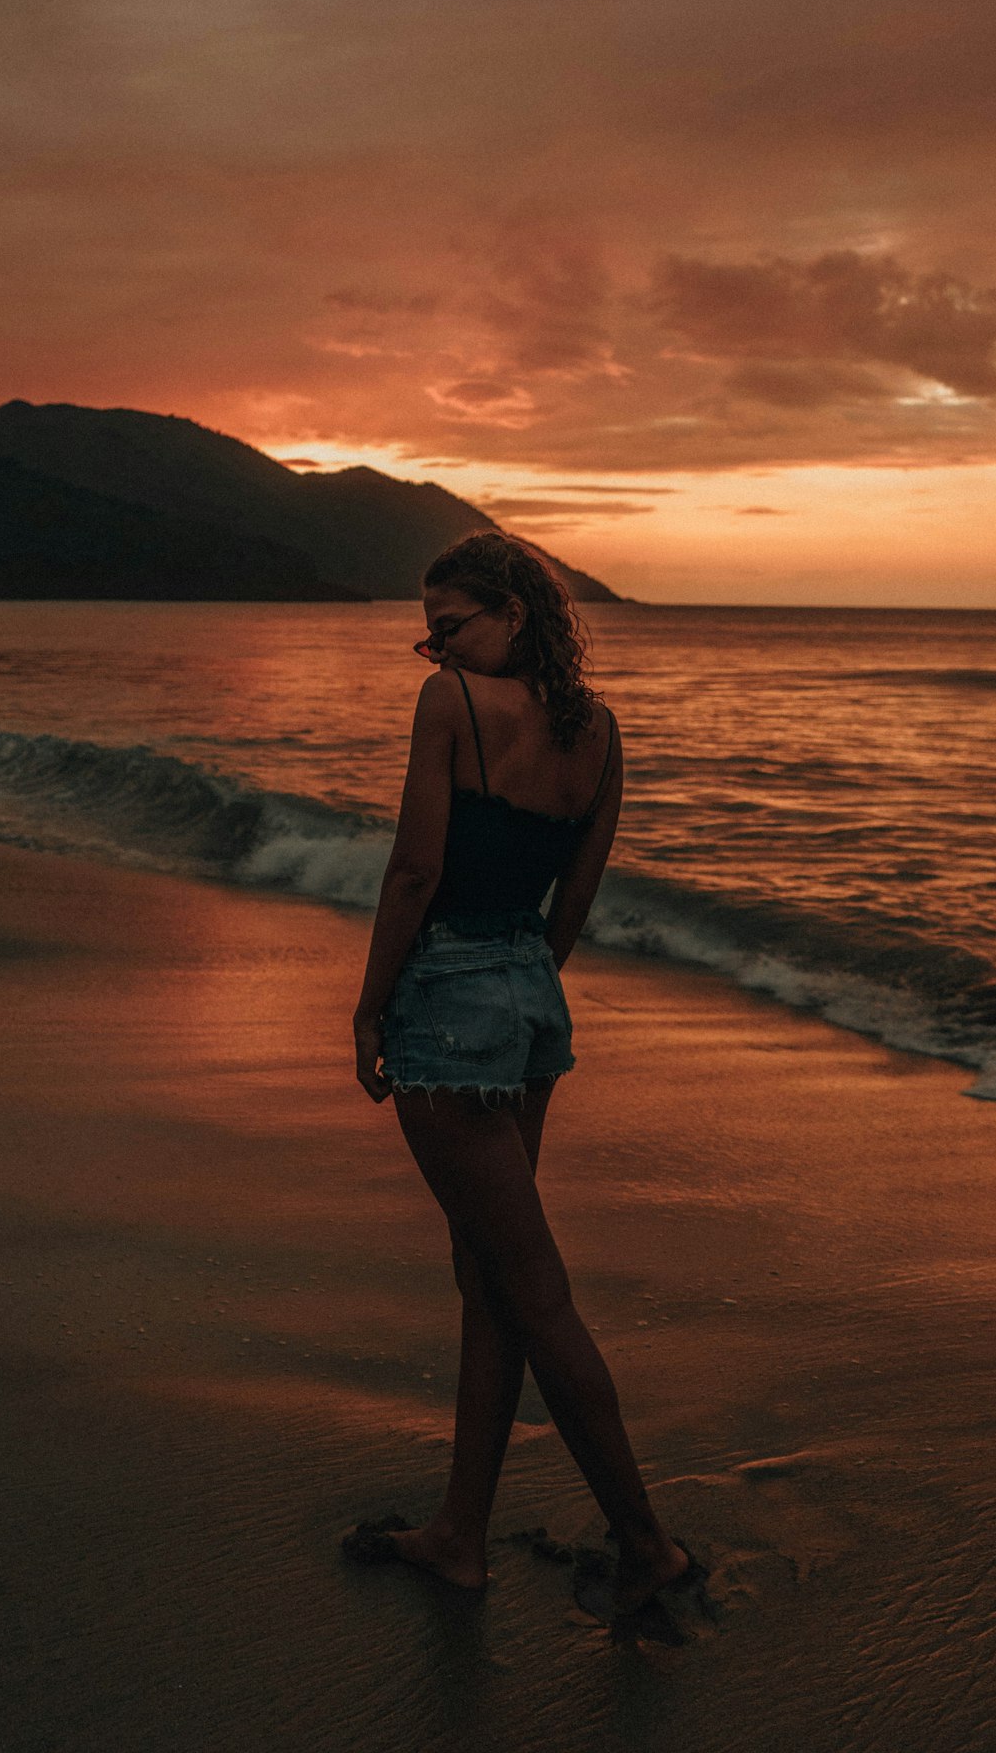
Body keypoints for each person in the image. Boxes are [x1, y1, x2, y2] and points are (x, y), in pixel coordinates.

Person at [347, 531, 699, 1621]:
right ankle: (460, 1532)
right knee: (492, 1276)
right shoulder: (599, 731)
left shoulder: (452, 703)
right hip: (528, 996)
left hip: (446, 996)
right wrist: (520, 978)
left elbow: (415, 868)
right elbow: (576, 899)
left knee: (530, 1284)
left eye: (446, 624)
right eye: (429, 632)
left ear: (507, 609)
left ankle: (646, 1544)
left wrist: (371, 1002)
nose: (433, 648)